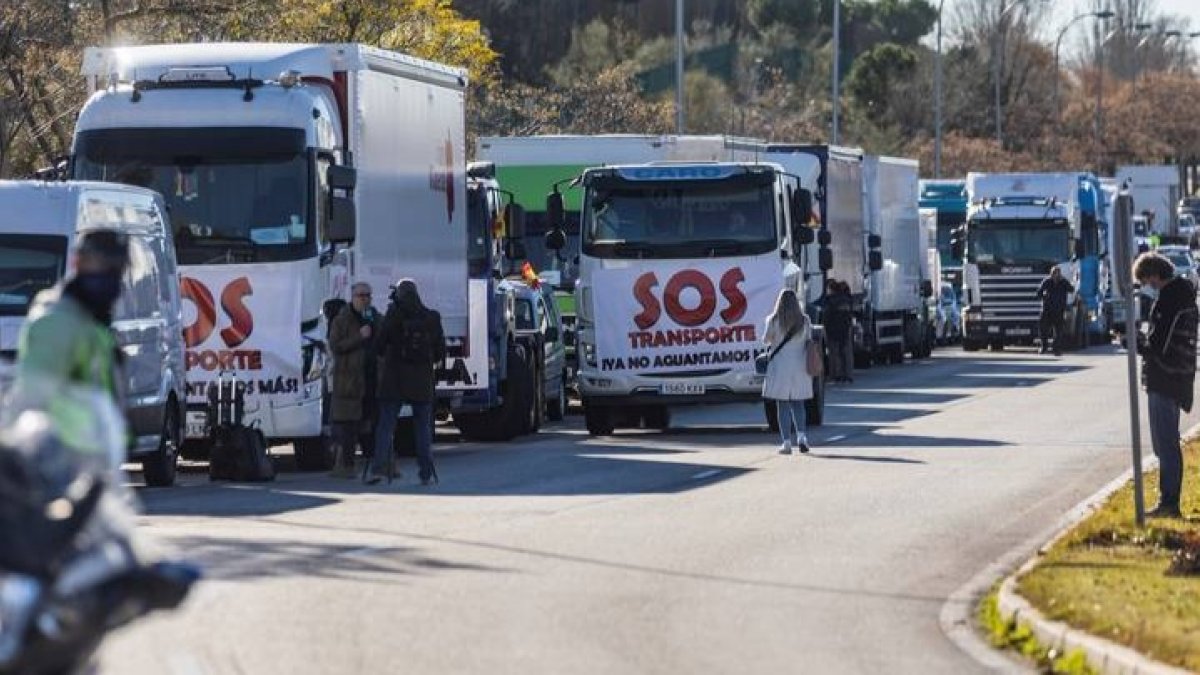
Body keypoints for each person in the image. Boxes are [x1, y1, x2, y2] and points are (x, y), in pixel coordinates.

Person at [6, 230, 130, 457]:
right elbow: (31, 401)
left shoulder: (94, 323)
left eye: (117, 268)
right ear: (77, 262)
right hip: (57, 466)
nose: (111, 275)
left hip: (89, 468)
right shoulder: (58, 322)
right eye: (102, 264)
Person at [1133, 252, 1197, 518]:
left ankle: (1169, 503)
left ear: (1154, 274)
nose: (1148, 285)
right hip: (1177, 376)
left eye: (1146, 280)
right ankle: (1168, 500)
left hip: (1166, 377)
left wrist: (1135, 342)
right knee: (1166, 443)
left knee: (1165, 443)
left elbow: (1160, 345)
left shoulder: (1170, 300)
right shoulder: (1182, 296)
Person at [370, 279, 446, 485]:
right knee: (422, 427)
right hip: (421, 381)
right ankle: (426, 471)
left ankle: (378, 468)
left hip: (394, 380)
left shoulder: (393, 315)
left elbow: (379, 346)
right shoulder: (431, 318)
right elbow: (440, 352)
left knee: (386, 425)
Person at [327, 283, 381, 479]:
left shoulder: (375, 317)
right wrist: (359, 337)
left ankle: (374, 463)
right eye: (361, 295)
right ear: (353, 297)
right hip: (349, 380)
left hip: (371, 378)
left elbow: (384, 340)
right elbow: (336, 346)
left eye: (368, 295)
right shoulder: (342, 320)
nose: (365, 299)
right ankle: (347, 466)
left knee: (372, 423)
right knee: (348, 426)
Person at [762, 288, 814, 455]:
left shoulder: (774, 320)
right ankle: (802, 437)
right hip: (799, 367)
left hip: (780, 367)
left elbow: (766, 340)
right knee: (798, 404)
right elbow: (809, 340)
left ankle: (786, 442)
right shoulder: (804, 321)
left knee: (782, 405)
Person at [1035, 267, 1074, 355]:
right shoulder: (1047, 281)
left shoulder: (1063, 282)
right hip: (1047, 310)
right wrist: (1044, 295)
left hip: (1059, 310)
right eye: (1054, 273)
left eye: (1057, 273)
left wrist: (1066, 283)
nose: (1056, 275)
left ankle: (1056, 349)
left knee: (1058, 331)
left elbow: (1071, 289)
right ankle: (1044, 347)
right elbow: (1038, 293)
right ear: (1051, 274)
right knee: (1043, 330)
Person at [824, 280, 854, 383]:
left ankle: (836, 375)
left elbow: (827, 317)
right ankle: (848, 375)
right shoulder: (847, 300)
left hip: (833, 331)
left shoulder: (830, 301)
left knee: (834, 354)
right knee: (846, 353)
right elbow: (850, 316)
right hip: (845, 330)